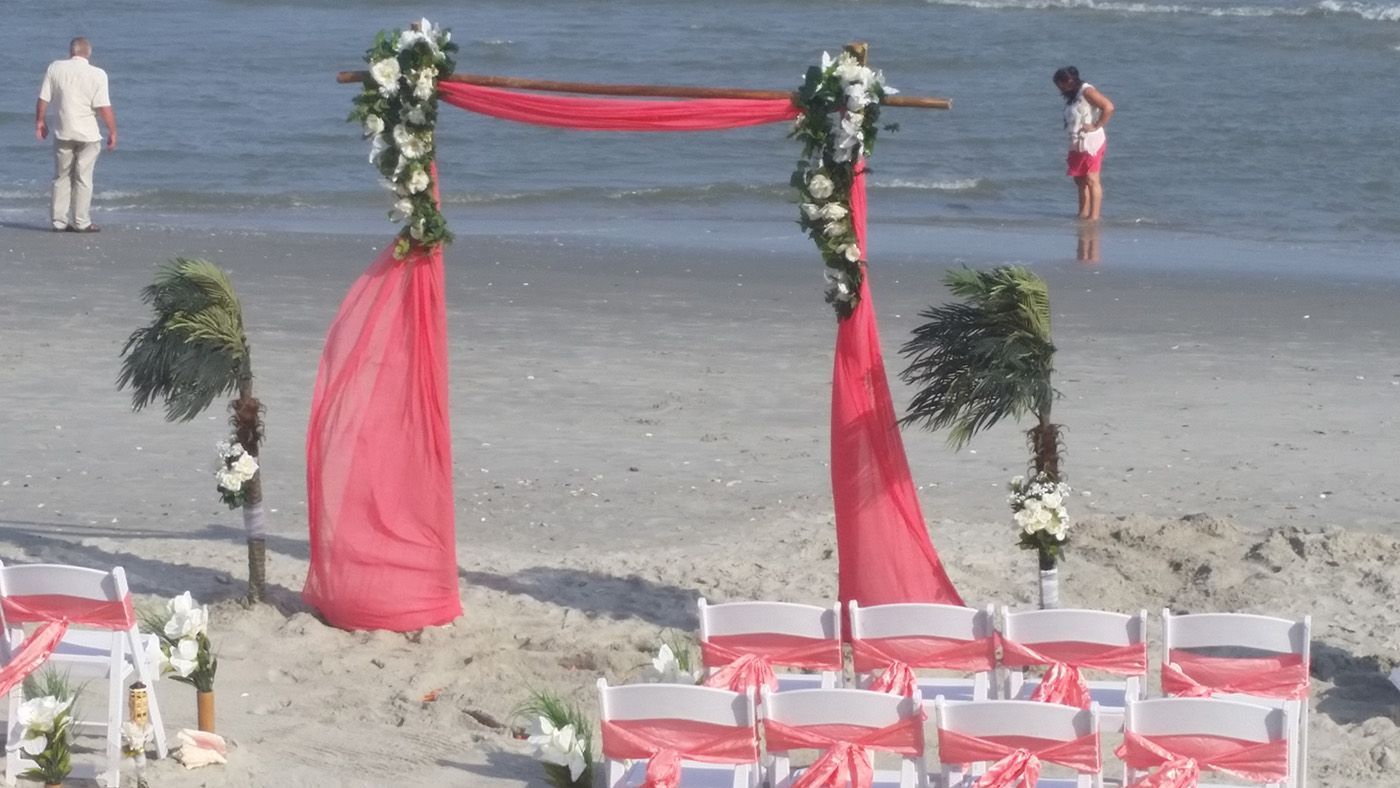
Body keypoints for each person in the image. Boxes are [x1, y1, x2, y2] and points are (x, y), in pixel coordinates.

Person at [36, 37, 116, 233]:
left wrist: (40, 121)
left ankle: (58, 221)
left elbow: (43, 98)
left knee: (61, 176)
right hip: (88, 134)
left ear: (71, 51)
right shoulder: (98, 74)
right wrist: (112, 130)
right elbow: (103, 107)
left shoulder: (55, 68)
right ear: (88, 53)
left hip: (63, 131)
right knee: (83, 177)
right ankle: (81, 221)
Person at [1052, 66, 1113, 221]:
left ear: (1070, 81)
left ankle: (1094, 216)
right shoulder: (1073, 95)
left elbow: (1108, 107)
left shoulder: (1087, 91)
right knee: (1079, 179)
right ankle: (1083, 213)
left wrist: (1097, 125)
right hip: (1076, 142)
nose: (1060, 88)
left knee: (1092, 179)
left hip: (1091, 142)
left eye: (1061, 84)